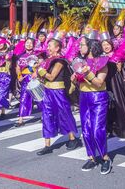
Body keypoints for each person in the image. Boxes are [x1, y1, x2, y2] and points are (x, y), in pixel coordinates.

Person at [71, 4, 112, 175]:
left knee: (97, 129)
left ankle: (105, 158)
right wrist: (73, 79)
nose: (80, 47)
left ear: (91, 44)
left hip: (98, 98)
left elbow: (98, 82)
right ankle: (91, 157)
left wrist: (86, 73)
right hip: (84, 98)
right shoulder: (78, 61)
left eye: (82, 44)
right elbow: (74, 83)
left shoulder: (102, 61)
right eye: (80, 44)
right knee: (86, 130)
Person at [35, 18, 80, 155]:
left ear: (58, 47)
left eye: (50, 46)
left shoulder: (60, 60)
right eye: (48, 46)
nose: (47, 48)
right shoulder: (48, 60)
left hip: (59, 92)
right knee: (47, 115)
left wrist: (41, 71)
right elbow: (44, 78)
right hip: (48, 91)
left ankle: (73, 138)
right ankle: (47, 145)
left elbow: (52, 76)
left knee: (64, 114)